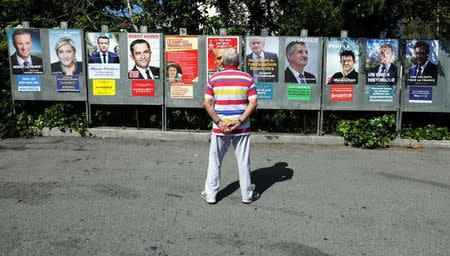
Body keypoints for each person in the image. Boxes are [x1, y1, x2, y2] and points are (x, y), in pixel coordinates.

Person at [202, 48, 258, 204]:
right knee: (243, 161)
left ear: (223, 62)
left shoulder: (214, 78)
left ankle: (211, 195)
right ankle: (247, 195)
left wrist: (219, 122)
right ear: (239, 63)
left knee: (215, 160)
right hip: (242, 127)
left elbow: (207, 103)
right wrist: (239, 121)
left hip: (220, 128)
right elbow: (253, 103)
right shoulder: (247, 78)